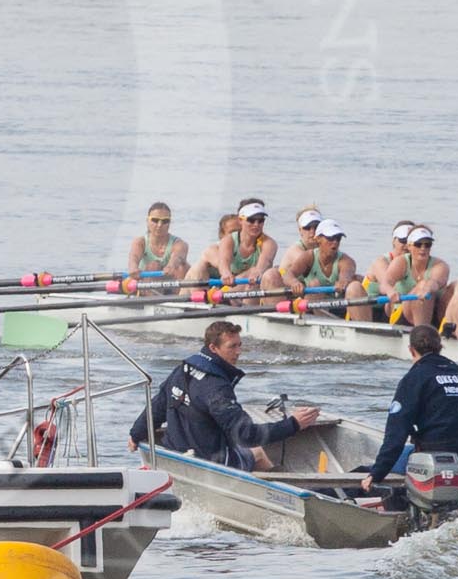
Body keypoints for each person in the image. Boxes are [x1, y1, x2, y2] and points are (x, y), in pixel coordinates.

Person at [127, 319, 320, 471]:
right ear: (213, 348)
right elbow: (246, 435)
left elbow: (158, 406)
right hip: (208, 461)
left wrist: (136, 434)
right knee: (258, 453)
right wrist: (293, 423)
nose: (238, 352)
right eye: (232, 346)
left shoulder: (183, 369)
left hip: (175, 452)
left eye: (240, 345)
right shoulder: (217, 388)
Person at [361, 324, 458, 490]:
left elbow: (396, 432)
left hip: (438, 464)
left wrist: (376, 473)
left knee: (370, 468)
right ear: (440, 347)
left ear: (411, 350)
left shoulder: (415, 377)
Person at [186, 197, 277, 290]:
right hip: (228, 285)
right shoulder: (228, 240)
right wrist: (225, 273)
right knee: (198, 268)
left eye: (261, 220)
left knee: (254, 273)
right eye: (251, 220)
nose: (256, 224)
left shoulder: (269, 243)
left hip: (248, 288)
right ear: (240, 220)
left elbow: (265, 261)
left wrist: (258, 271)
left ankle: (229, 297)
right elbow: (224, 261)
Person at [292, 219, 370, 320]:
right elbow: (289, 275)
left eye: (338, 238)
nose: (335, 242)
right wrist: (294, 283)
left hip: (339, 307)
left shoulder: (346, 260)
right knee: (314, 284)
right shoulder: (308, 257)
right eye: (330, 238)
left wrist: (343, 281)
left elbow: (346, 273)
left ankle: (363, 330)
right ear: (318, 239)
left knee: (355, 286)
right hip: (313, 307)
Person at [379, 225, 450, 328]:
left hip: (433, 313)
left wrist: (427, 288)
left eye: (427, 245)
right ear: (409, 246)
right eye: (418, 244)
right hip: (402, 314)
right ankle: (422, 334)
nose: (423, 248)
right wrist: (390, 291)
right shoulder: (401, 262)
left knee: (455, 287)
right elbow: (384, 284)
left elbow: (435, 282)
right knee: (421, 287)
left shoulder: (440, 265)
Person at [125, 201, 189, 278]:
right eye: (155, 220)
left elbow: (178, 256)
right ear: (147, 221)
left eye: (165, 221)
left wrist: (171, 266)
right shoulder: (140, 242)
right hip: (146, 283)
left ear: (169, 223)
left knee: (183, 267)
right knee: (154, 266)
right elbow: (134, 257)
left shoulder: (179, 244)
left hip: (171, 285)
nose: (159, 225)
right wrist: (133, 267)